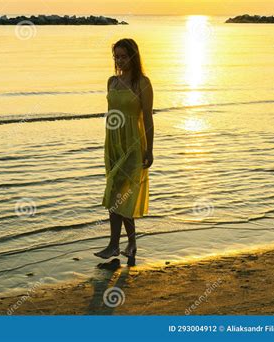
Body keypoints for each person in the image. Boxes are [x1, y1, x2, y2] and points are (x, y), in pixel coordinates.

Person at [94, 38, 154, 266]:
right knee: (120, 194)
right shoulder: (111, 82)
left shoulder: (142, 83)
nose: (119, 60)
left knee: (117, 193)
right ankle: (130, 243)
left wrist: (150, 149)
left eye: (123, 56)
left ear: (133, 57)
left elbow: (147, 117)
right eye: (116, 56)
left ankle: (113, 245)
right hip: (113, 143)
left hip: (133, 145)